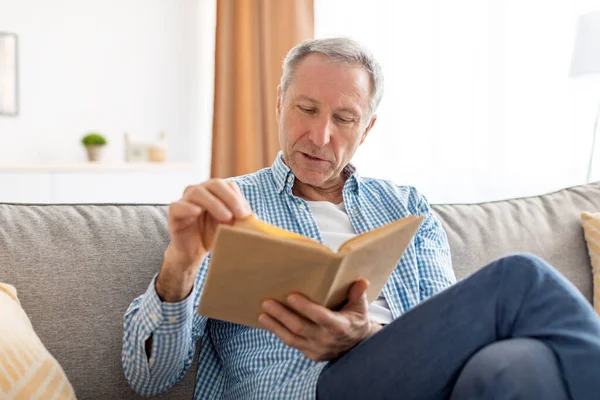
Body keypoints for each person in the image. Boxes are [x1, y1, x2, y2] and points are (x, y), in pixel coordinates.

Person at [122, 37, 600, 399]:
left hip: (420, 381)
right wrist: (180, 265)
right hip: (314, 390)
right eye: (306, 109)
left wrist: (363, 336)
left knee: (517, 365)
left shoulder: (406, 205)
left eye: (344, 119)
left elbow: (444, 329)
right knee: (521, 276)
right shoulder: (227, 208)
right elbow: (149, 377)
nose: (320, 134)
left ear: (367, 129)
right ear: (279, 104)